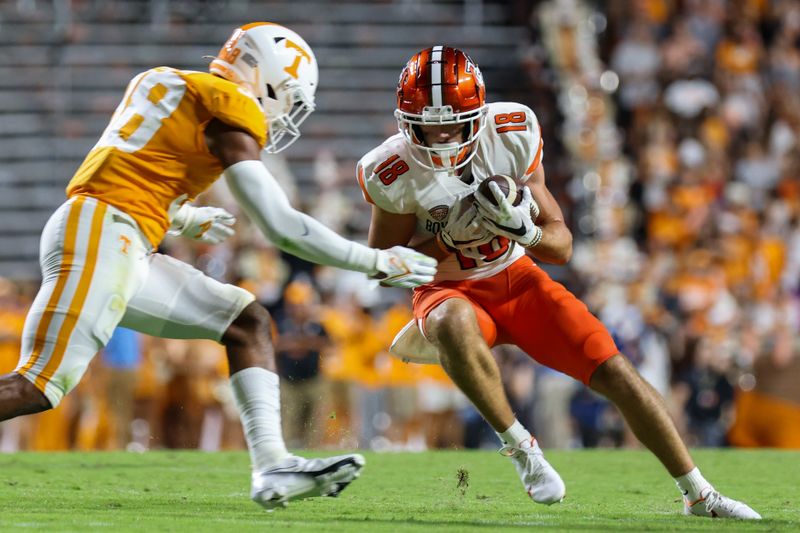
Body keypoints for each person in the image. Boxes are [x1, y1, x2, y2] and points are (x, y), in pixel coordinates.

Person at [0, 23, 438, 511]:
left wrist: (182, 215)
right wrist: (375, 259)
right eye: (287, 96)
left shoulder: (167, 81)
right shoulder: (231, 106)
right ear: (268, 78)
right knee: (38, 385)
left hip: (117, 233)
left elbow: (129, 166)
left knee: (245, 320)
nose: (283, 111)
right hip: (103, 235)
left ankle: (273, 465)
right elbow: (281, 226)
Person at [357, 45, 759, 519]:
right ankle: (523, 449)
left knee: (616, 372)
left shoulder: (511, 132)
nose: (441, 134)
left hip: (517, 276)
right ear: (406, 120)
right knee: (450, 321)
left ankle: (700, 495)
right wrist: (447, 242)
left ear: (478, 112)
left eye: (452, 121)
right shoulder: (392, 169)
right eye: (428, 122)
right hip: (448, 288)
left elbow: (560, 245)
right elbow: (381, 268)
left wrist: (522, 230)